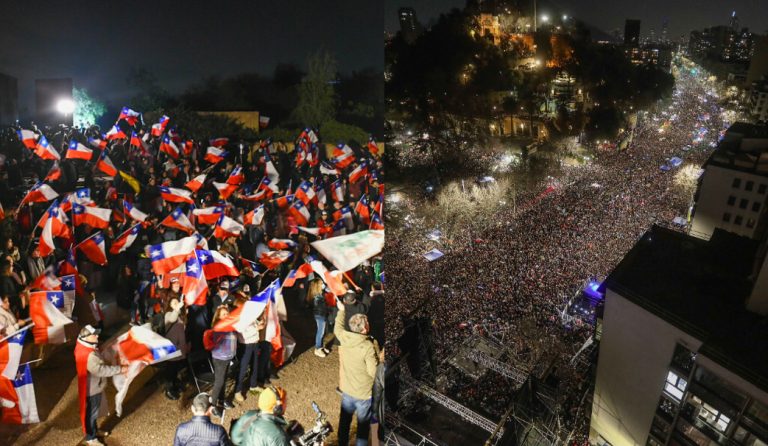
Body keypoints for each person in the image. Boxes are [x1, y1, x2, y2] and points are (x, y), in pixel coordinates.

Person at [334, 298, 379, 446]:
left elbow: (338, 328)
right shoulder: (367, 347)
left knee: (344, 423)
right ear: (364, 329)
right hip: (363, 394)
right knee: (362, 428)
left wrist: (341, 311)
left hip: (347, 390)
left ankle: (342, 443)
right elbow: (374, 372)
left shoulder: (344, 337)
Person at [74, 325, 128, 446]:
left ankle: (94, 431)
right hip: (92, 389)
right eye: (95, 335)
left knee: (93, 413)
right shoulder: (90, 355)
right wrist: (120, 369)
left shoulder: (84, 347)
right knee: (92, 414)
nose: (97, 336)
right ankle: (91, 438)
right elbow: (101, 370)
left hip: (91, 386)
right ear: (86, 337)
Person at [233, 296, 264, 403]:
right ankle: (237, 391)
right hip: (246, 345)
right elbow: (241, 332)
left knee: (255, 364)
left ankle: (253, 385)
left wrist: (259, 324)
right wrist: (256, 328)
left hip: (255, 343)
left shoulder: (249, 315)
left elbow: (254, 323)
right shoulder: (238, 319)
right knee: (243, 368)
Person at [209, 305, 236, 417]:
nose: (226, 315)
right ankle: (212, 405)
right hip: (220, 358)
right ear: (218, 316)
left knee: (224, 380)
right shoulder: (218, 327)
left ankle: (221, 400)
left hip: (228, 357)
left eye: (227, 313)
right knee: (219, 381)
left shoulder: (230, 325)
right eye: (223, 314)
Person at [162, 297, 188, 400]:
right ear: (170, 306)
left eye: (177, 302)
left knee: (176, 369)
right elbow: (172, 318)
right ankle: (169, 389)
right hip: (171, 348)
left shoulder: (180, 317)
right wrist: (177, 309)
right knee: (170, 370)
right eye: (174, 303)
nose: (177, 304)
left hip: (179, 348)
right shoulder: (168, 315)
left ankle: (175, 385)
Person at [306, 278, 329, 357]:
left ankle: (321, 346)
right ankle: (318, 348)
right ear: (317, 286)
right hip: (320, 315)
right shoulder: (317, 297)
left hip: (321, 314)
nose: (323, 285)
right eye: (321, 283)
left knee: (322, 331)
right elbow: (321, 305)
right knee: (320, 332)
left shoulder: (319, 294)